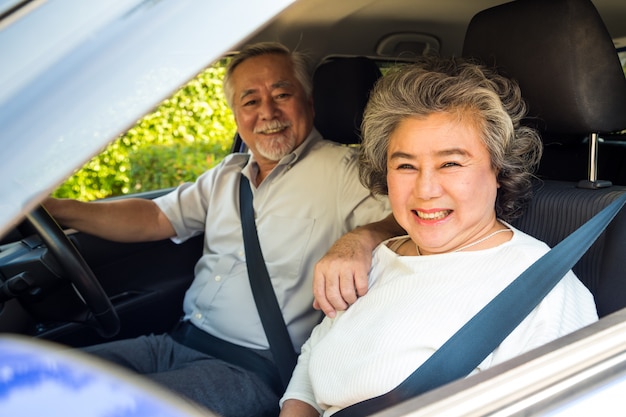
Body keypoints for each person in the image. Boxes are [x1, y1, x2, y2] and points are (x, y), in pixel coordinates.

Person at [43, 42, 394, 417]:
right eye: (250, 101)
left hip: (249, 370)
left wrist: (360, 238)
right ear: (236, 115)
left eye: (282, 94)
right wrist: (56, 209)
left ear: (308, 102)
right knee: (38, 380)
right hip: (172, 343)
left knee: (88, 408)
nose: (268, 112)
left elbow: (406, 221)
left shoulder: (343, 171)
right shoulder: (228, 174)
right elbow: (155, 218)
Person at [279, 56, 598, 416]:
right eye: (405, 165)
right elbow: (311, 369)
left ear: (499, 168)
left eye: (451, 163)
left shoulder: (544, 291)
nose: (425, 189)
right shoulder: (374, 260)